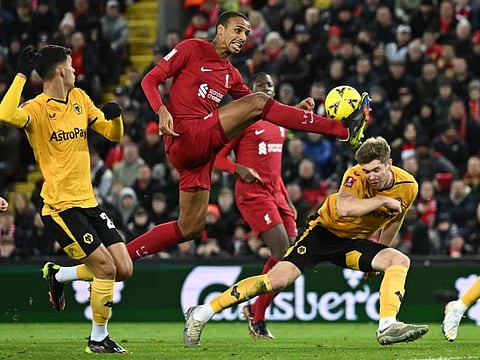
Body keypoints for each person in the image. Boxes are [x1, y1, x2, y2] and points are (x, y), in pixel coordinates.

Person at [125, 10, 369, 262]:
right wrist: (161, 111)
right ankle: (341, 129)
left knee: (190, 227)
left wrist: (295, 111)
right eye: (238, 30)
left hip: (199, 156)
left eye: (247, 33)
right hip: (186, 135)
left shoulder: (232, 74)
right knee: (259, 101)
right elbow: (150, 80)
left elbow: (261, 112)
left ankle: (123, 255)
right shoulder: (191, 48)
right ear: (220, 30)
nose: (243, 37)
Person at [183, 136, 429, 347]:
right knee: (276, 280)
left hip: (352, 243)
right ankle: (203, 312)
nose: (371, 176)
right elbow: (344, 207)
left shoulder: (409, 186)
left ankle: (387, 325)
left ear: (390, 164)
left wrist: (380, 253)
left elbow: (394, 221)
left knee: (398, 260)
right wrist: (382, 200)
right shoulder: (354, 176)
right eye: (367, 171)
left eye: (376, 170)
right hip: (321, 233)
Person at [0, 45, 132, 353]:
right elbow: (5, 113)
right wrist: (21, 73)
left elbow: (111, 134)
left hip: (88, 202)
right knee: (106, 270)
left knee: (123, 268)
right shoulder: (36, 108)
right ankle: (98, 338)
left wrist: (116, 119)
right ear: (60, 70)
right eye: (71, 66)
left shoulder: (80, 98)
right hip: (60, 207)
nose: (75, 71)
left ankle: (59, 275)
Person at [213, 72, 298, 339]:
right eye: (261, 85)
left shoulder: (280, 124)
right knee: (283, 253)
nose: (266, 89)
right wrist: (239, 169)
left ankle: (255, 312)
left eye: (270, 85)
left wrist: (287, 199)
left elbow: (276, 169)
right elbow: (217, 158)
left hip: (277, 194)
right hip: (253, 194)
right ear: (251, 90)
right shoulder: (242, 122)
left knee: (292, 258)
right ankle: (256, 313)